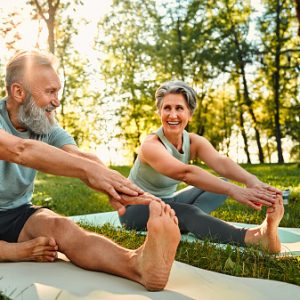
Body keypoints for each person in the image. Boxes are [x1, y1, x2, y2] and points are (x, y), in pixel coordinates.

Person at [0, 50, 181, 291]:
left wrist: (115, 184)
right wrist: (16, 251)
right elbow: (20, 150)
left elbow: (79, 157)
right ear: (18, 92)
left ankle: (138, 265)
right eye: (50, 92)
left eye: (58, 92)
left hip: (16, 212)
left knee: (62, 228)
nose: (57, 101)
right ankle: (10, 251)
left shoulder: (43, 124)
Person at [120, 80, 284, 253]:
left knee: (218, 184)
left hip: (166, 201)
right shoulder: (151, 145)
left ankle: (183, 221)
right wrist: (234, 190)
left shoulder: (192, 141)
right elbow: (185, 173)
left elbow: (221, 162)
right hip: (134, 209)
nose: (173, 115)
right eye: (167, 108)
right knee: (188, 212)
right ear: (159, 112)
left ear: (190, 114)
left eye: (179, 108)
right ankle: (255, 237)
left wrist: (252, 181)